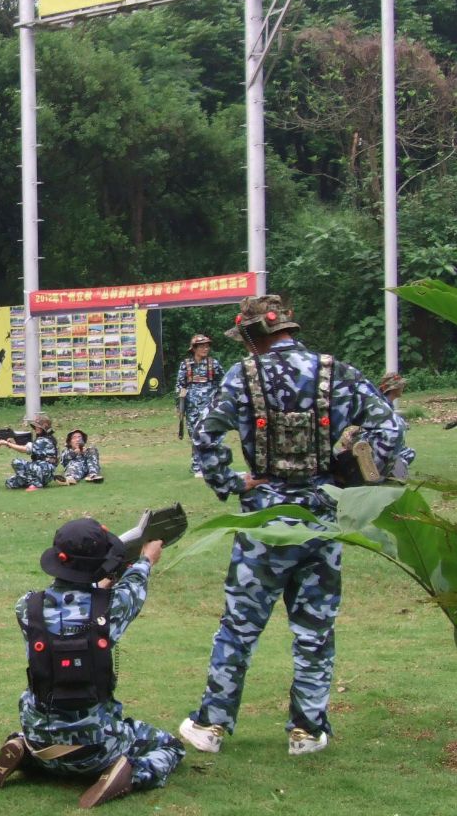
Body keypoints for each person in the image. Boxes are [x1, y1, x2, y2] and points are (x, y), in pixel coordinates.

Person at [179, 294, 400, 757]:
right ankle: (307, 730)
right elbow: (389, 429)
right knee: (314, 630)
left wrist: (231, 482)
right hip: (322, 517)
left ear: (253, 337)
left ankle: (212, 725)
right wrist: (347, 475)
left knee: (239, 626)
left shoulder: (242, 374)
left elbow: (206, 433)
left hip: (264, 518)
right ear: (288, 329)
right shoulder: (335, 371)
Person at [0, 520, 182, 808]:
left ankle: (25, 751)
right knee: (170, 746)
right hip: (95, 749)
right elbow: (133, 585)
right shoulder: (112, 606)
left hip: (41, 739)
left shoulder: (27, 606)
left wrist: (99, 579)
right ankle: (129, 774)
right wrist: (147, 558)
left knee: (35, 737)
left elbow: (74, 601)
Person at [177, 334, 225, 476]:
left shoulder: (213, 364)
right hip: (192, 408)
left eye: (207, 345)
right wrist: (179, 407)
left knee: (213, 435)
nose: (206, 348)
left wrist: (220, 401)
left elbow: (222, 383)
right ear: (194, 348)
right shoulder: (185, 365)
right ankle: (197, 466)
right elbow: (180, 386)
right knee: (195, 436)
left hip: (211, 407)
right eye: (202, 346)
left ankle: (214, 465)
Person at [0, 414, 58, 490]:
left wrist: (8, 443)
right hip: (40, 470)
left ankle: (36, 484)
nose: (36, 428)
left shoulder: (44, 440)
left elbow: (26, 449)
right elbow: (29, 447)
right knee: (10, 483)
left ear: (44, 427)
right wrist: (12, 444)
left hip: (44, 470)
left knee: (17, 462)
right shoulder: (43, 438)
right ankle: (30, 481)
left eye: (38, 426)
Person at [378, 372, 416, 479]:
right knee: (404, 458)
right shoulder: (383, 405)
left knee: (410, 453)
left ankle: (394, 469)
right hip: (383, 446)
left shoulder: (386, 403)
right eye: (400, 385)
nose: (403, 387)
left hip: (390, 446)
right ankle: (391, 470)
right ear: (393, 388)